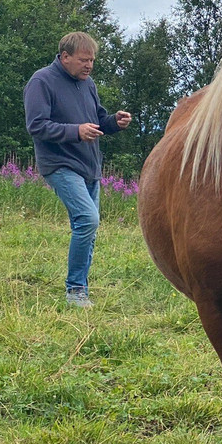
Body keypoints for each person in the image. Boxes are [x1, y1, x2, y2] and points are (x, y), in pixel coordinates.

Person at [24, 31, 131, 308]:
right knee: (88, 219)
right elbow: (36, 126)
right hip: (59, 164)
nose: (89, 65)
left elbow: (97, 121)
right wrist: (76, 131)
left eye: (92, 60)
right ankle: (75, 291)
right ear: (65, 57)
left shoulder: (88, 84)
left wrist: (114, 123)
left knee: (88, 226)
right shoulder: (42, 81)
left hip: (89, 166)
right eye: (84, 60)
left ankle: (81, 286)